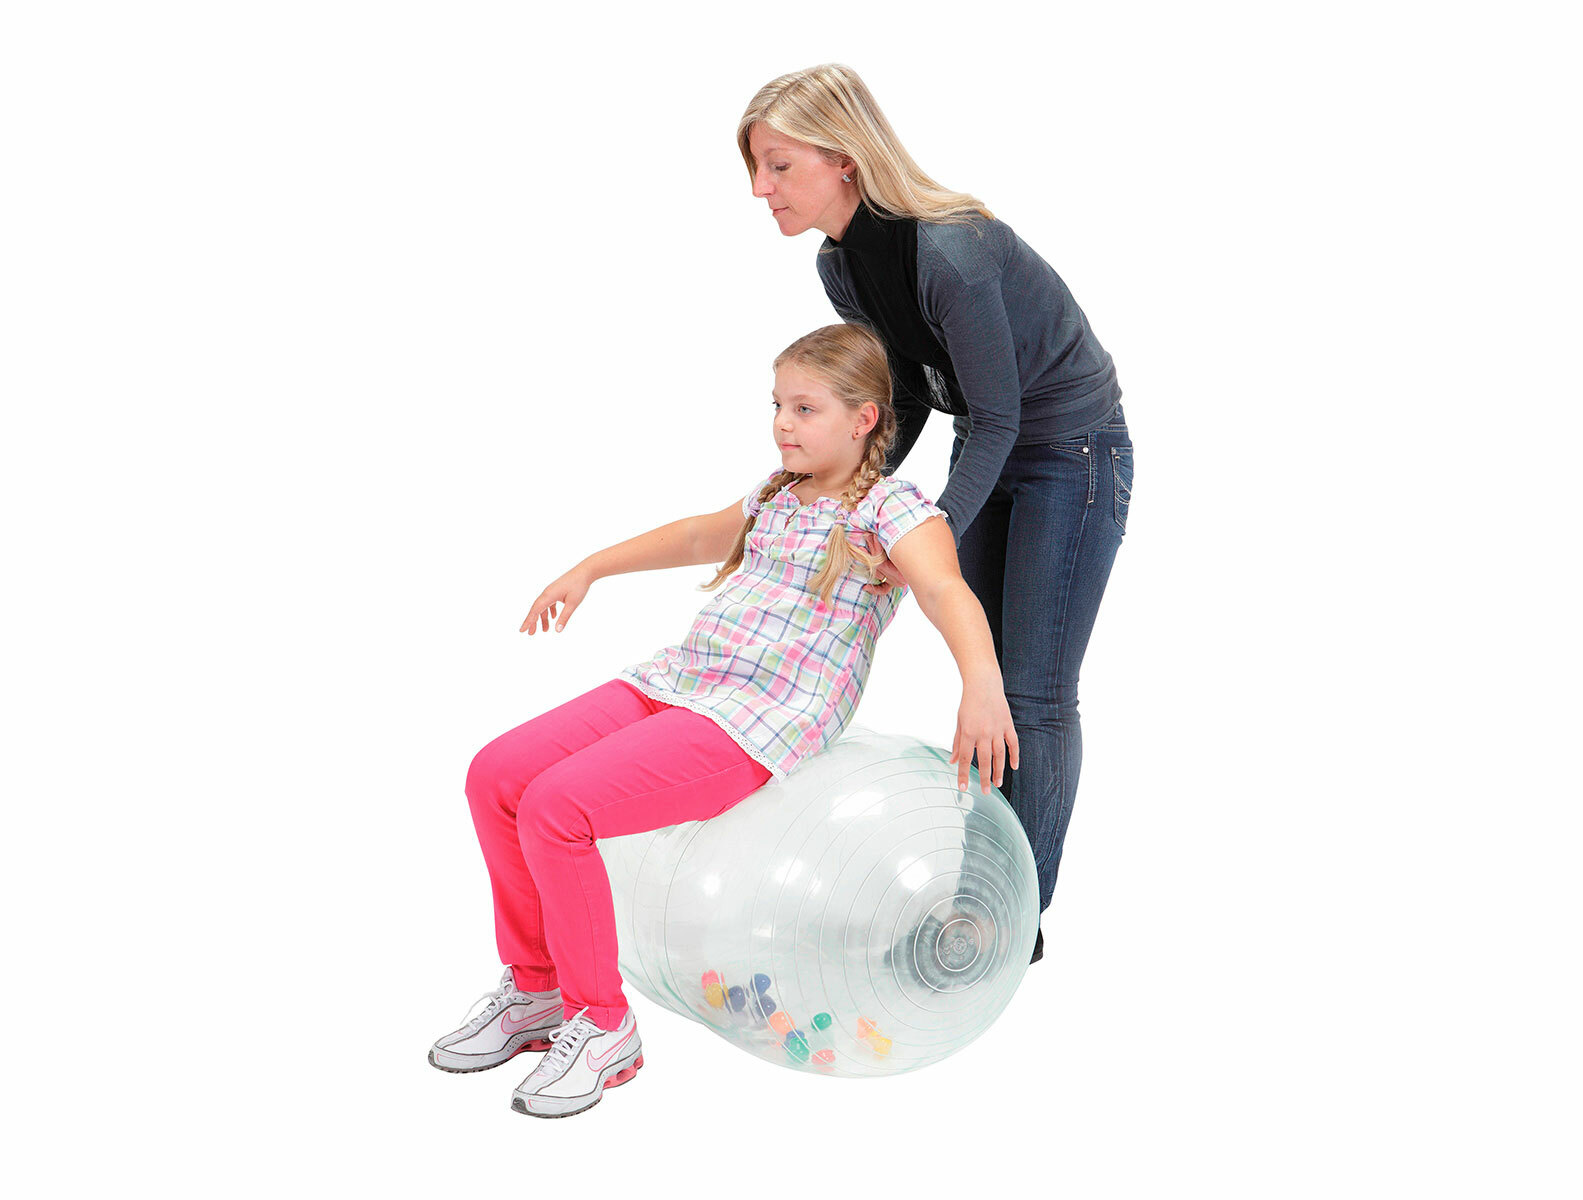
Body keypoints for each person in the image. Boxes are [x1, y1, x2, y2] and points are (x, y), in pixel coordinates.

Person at [429, 323, 1019, 1118]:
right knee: (496, 775)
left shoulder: (891, 510)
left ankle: (602, 1025)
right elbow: (699, 534)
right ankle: (537, 990)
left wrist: (981, 681)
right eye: (776, 405)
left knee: (557, 809)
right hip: (684, 679)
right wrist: (590, 568)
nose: (782, 424)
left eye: (805, 409)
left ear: (864, 419)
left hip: (761, 715)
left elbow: (946, 589)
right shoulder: (776, 494)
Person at [738, 65, 1135, 963]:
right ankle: (982, 902)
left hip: (1071, 453)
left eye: (778, 165)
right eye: (756, 168)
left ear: (843, 159)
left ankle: (1007, 927)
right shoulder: (840, 264)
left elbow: (999, 415)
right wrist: (852, 494)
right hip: (989, 442)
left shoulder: (950, 252)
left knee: (1031, 692)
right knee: (984, 680)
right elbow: (910, 395)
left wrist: (927, 528)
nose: (761, 188)